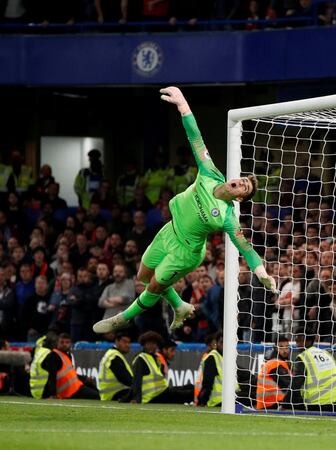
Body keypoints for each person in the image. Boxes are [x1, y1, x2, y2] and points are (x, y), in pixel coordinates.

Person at [93, 86, 279, 335]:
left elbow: (245, 247)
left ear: (240, 197)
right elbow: (195, 137)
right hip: (169, 231)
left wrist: (261, 272)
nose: (241, 182)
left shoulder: (225, 216)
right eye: (243, 179)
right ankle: (180, 305)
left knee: (156, 285)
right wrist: (183, 106)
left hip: (186, 251)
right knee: (143, 275)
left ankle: (123, 317)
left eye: (245, 187)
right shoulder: (210, 172)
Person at [286, 327, 336, 412]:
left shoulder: (303, 357)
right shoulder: (325, 353)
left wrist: (285, 403)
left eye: (300, 341)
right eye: (297, 341)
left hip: (321, 401)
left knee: (293, 400)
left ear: (309, 341)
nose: (298, 344)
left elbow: (296, 383)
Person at [130, 331, 193, 404]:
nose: (152, 346)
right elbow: (136, 379)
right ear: (144, 344)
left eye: (154, 344)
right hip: (153, 396)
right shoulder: (140, 358)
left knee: (190, 386)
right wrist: (136, 398)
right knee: (190, 393)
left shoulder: (154, 358)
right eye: (149, 343)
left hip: (162, 391)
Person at [40, 333, 100, 399]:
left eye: (67, 342)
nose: (64, 344)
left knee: (95, 390)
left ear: (71, 344)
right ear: (57, 343)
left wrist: (84, 378)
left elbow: (70, 374)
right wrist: (53, 394)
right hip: (69, 391)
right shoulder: (54, 356)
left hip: (75, 386)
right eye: (62, 342)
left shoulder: (66, 355)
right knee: (96, 396)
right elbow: (52, 376)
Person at [255, 335, 291, 410]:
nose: (285, 350)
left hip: (266, 403)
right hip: (272, 404)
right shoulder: (276, 364)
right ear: (275, 348)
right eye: (281, 347)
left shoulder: (273, 362)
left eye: (287, 347)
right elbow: (288, 384)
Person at [194, 332, 228, 407]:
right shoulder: (211, 357)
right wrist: (202, 400)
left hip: (213, 395)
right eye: (222, 342)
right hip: (215, 398)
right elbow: (208, 382)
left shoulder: (220, 357)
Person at [98, 332, 133, 401]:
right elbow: (125, 379)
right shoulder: (114, 357)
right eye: (124, 342)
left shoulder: (112, 354)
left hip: (108, 394)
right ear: (117, 341)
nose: (127, 345)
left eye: (129, 342)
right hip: (115, 394)